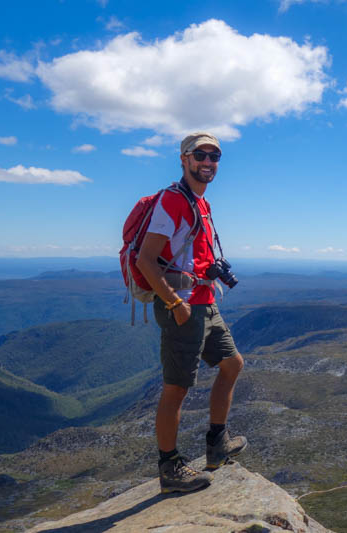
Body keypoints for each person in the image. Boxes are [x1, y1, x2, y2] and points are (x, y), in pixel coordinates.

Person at [137, 132, 246, 493]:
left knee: (232, 364)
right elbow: (146, 260)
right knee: (177, 388)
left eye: (215, 156)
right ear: (184, 159)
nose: (208, 162)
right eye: (201, 155)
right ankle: (169, 467)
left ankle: (217, 442)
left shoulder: (201, 203)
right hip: (182, 306)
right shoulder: (173, 200)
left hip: (205, 300)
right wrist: (175, 303)